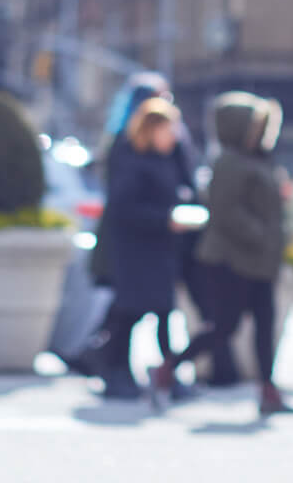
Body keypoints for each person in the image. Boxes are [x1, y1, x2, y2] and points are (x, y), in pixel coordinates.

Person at [151, 91, 293, 417]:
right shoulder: (229, 162)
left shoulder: (258, 160)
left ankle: (268, 390)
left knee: (264, 325)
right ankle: (169, 367)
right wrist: (258, 234)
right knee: (223, 327)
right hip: (231, 260)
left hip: (260, 261)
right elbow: (226, 211)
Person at [86, 97, 197, 400]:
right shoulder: (131, 159)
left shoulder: (169, 158)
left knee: (162, 313)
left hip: (160, 250)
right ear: (152, 129)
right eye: (167, 129)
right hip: (135, 251)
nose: (173, 135)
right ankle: (114, 370)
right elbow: (123, 209)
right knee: (130, 314)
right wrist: (165, 219)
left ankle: (167, 375)